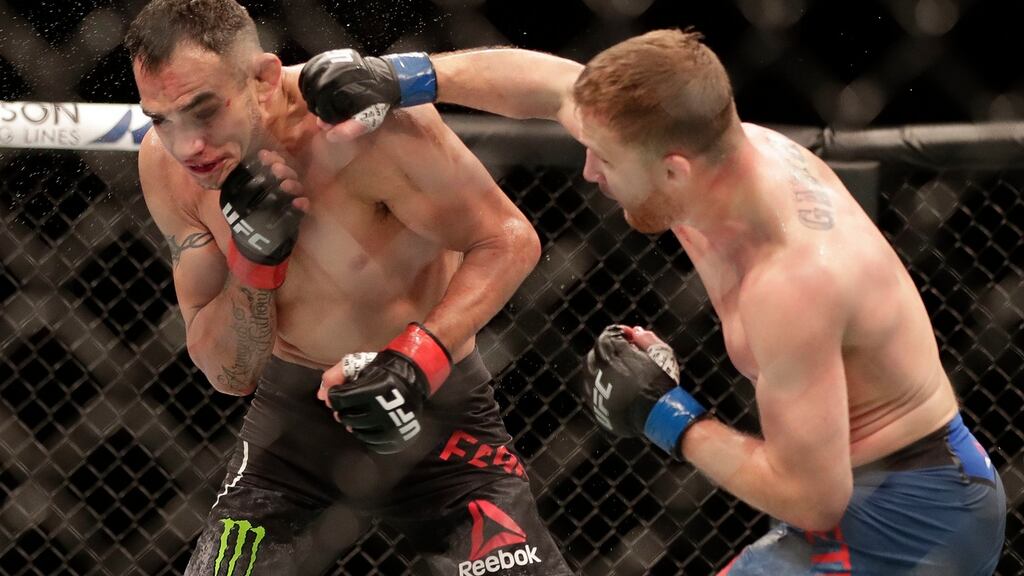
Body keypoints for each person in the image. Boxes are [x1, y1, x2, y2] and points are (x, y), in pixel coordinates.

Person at [307, 29, 1008, 575]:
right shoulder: (703, 152)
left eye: (605, 159)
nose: (587, 169)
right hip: (882, 485)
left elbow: (811, 496)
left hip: (912, 512)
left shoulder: (792, 279)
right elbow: (555, 86)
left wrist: (666, 413)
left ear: (672, 169)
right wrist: (401, 75)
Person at [124, 1, 576, 574]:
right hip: (294, 430)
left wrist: (416, 358)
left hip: (434, 409)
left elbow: (509, 239)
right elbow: (227, 373)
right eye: (162, 119)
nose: (188, 145)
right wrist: (254, 264)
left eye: (203, 110)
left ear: (263, 79)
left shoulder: (367, 125)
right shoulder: (169, 172)